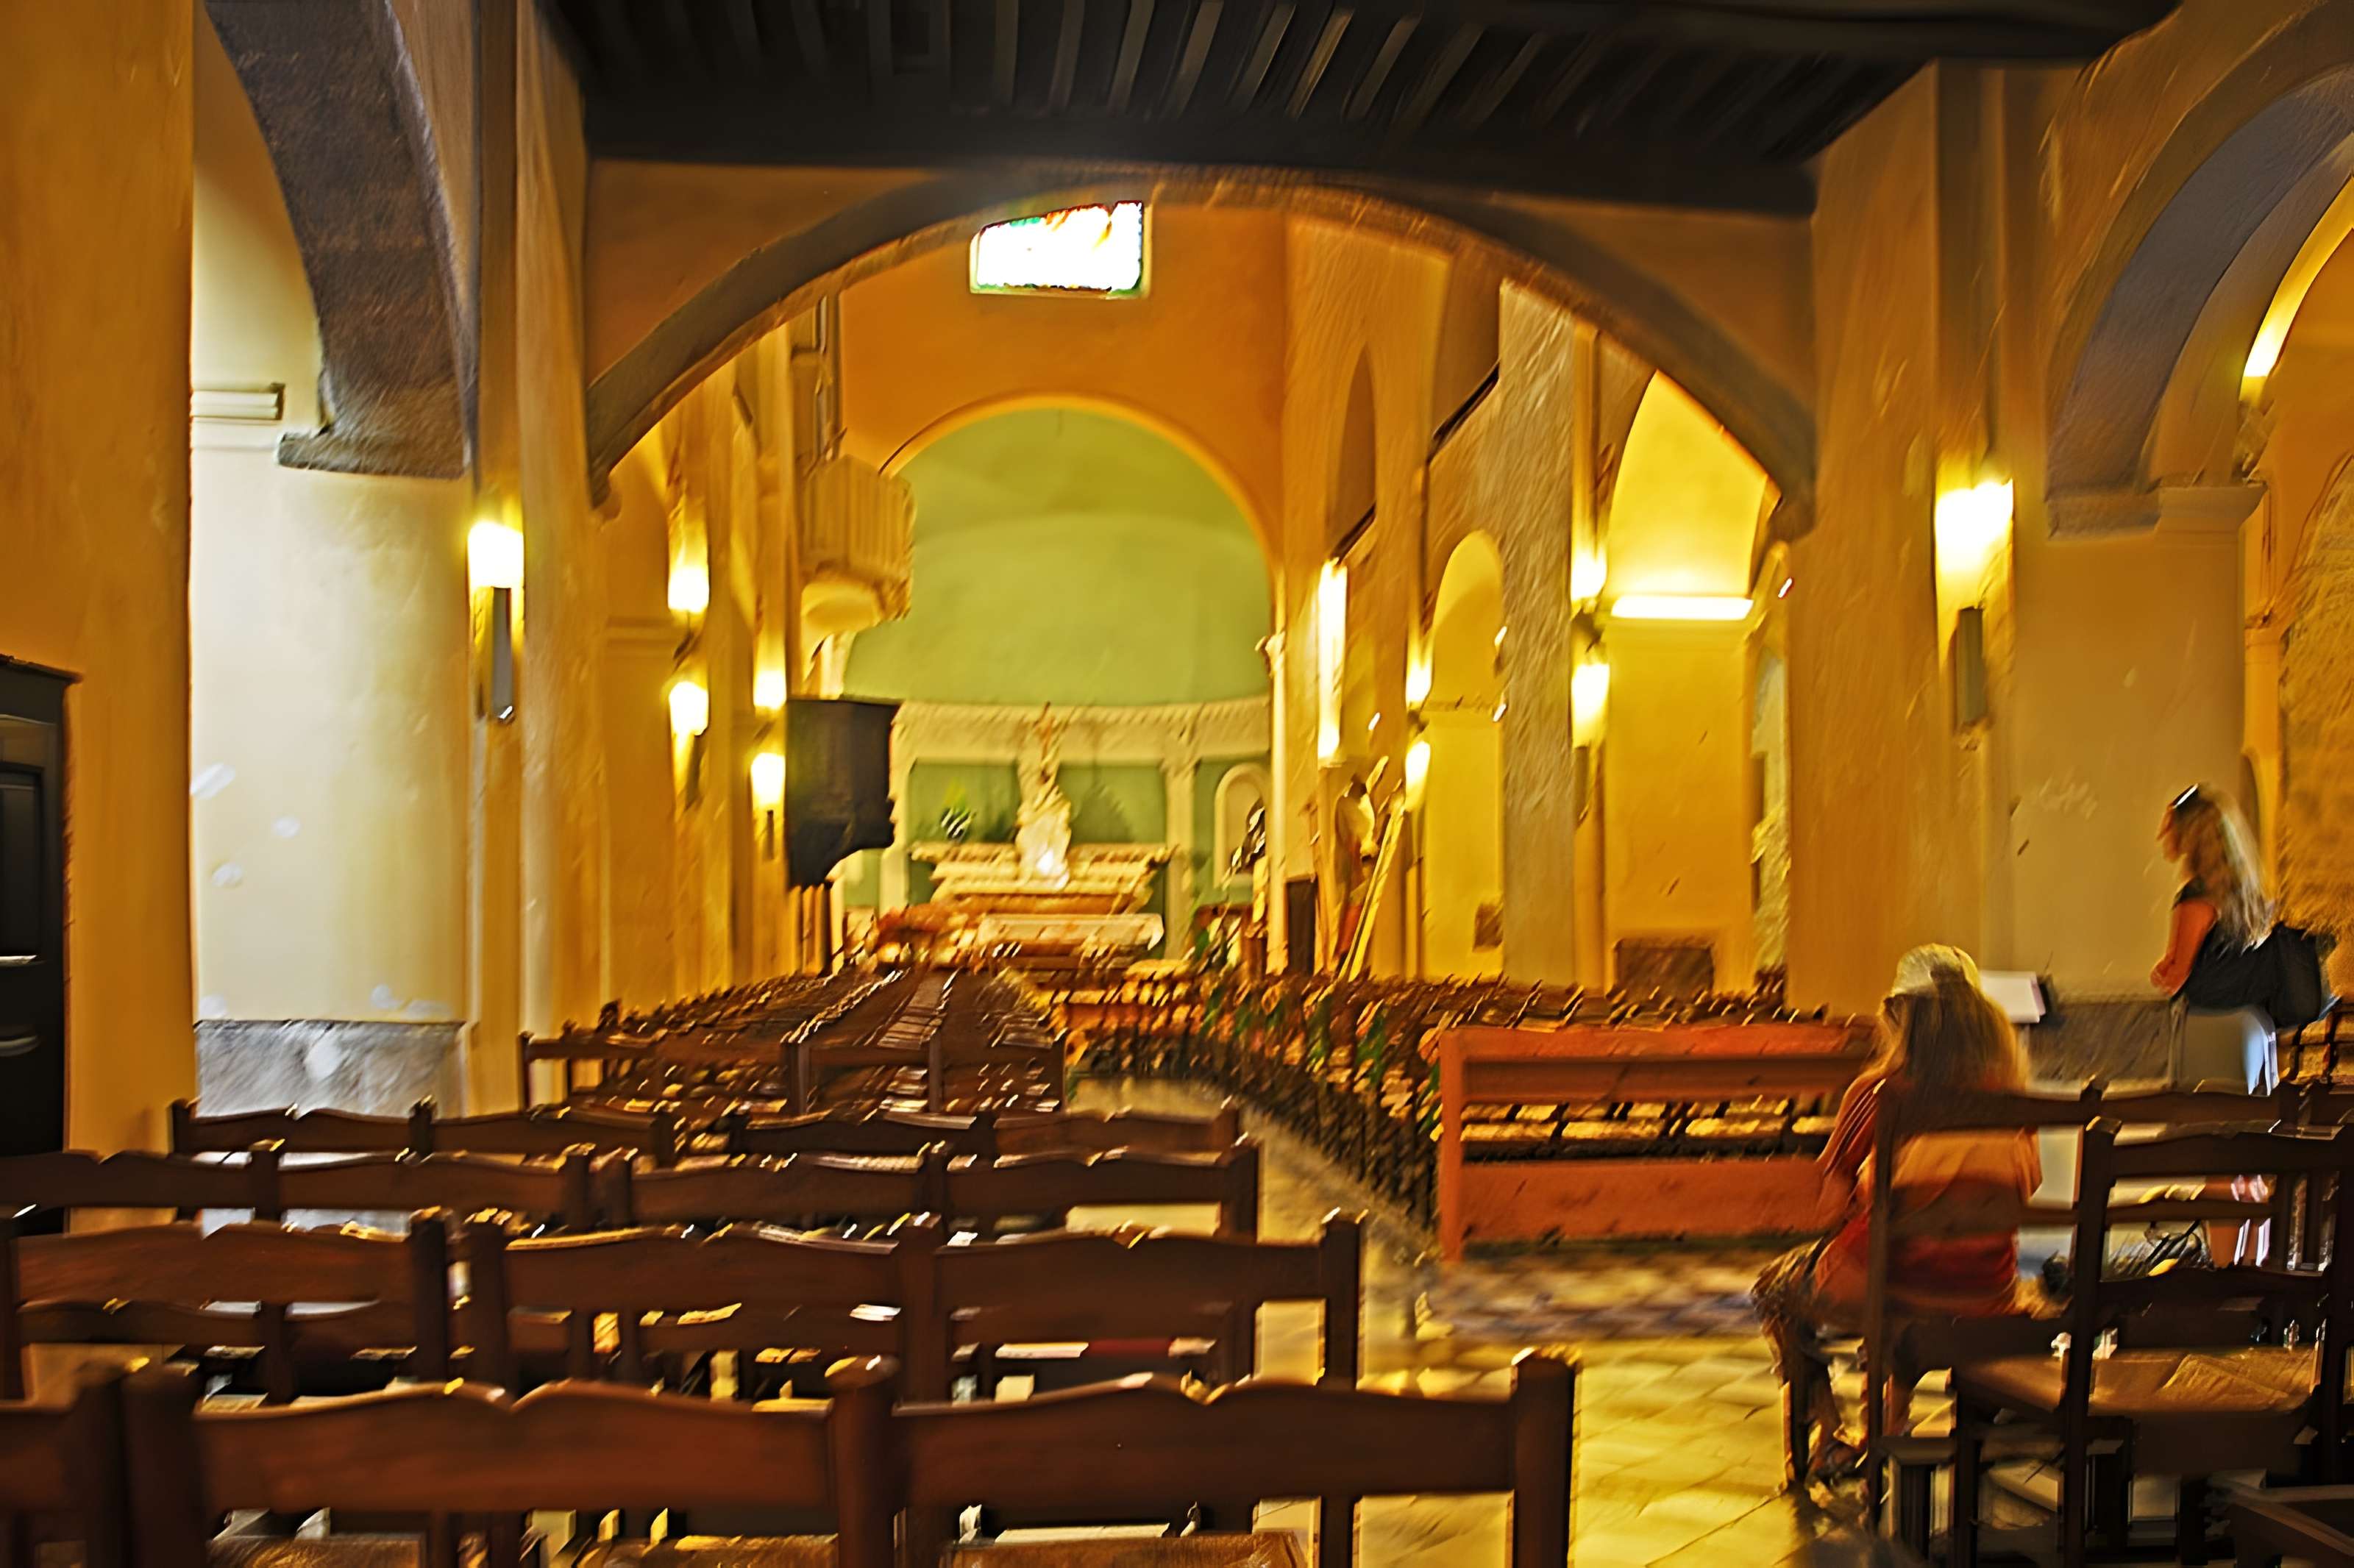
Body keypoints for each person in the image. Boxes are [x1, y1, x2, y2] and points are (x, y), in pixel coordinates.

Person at [1752, 946, 2040, 1481]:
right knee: (1917, 1260)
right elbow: (2028, 1184)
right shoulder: (2011, 1097)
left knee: (1779, 1288)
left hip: (1894, 1286)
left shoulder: (1881, 1092)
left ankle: (1829, 1433)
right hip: (1986, 1289)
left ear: (1897, 1018)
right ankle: (1892, 1423)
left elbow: (1831, 1206)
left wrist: (1862, 1200)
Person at [2152, 784, 2278, 1263]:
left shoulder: (2196, 897)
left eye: (2172, 825)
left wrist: (2162, 970)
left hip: (2213, 1032)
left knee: (2218, 1162)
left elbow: (2178, 972)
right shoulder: (2245, 891)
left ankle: (2226, 1280)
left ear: (2193, 835)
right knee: (2248, 1164)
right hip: (2252, 1031)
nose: (2165, 834)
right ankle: (2255, 1272)